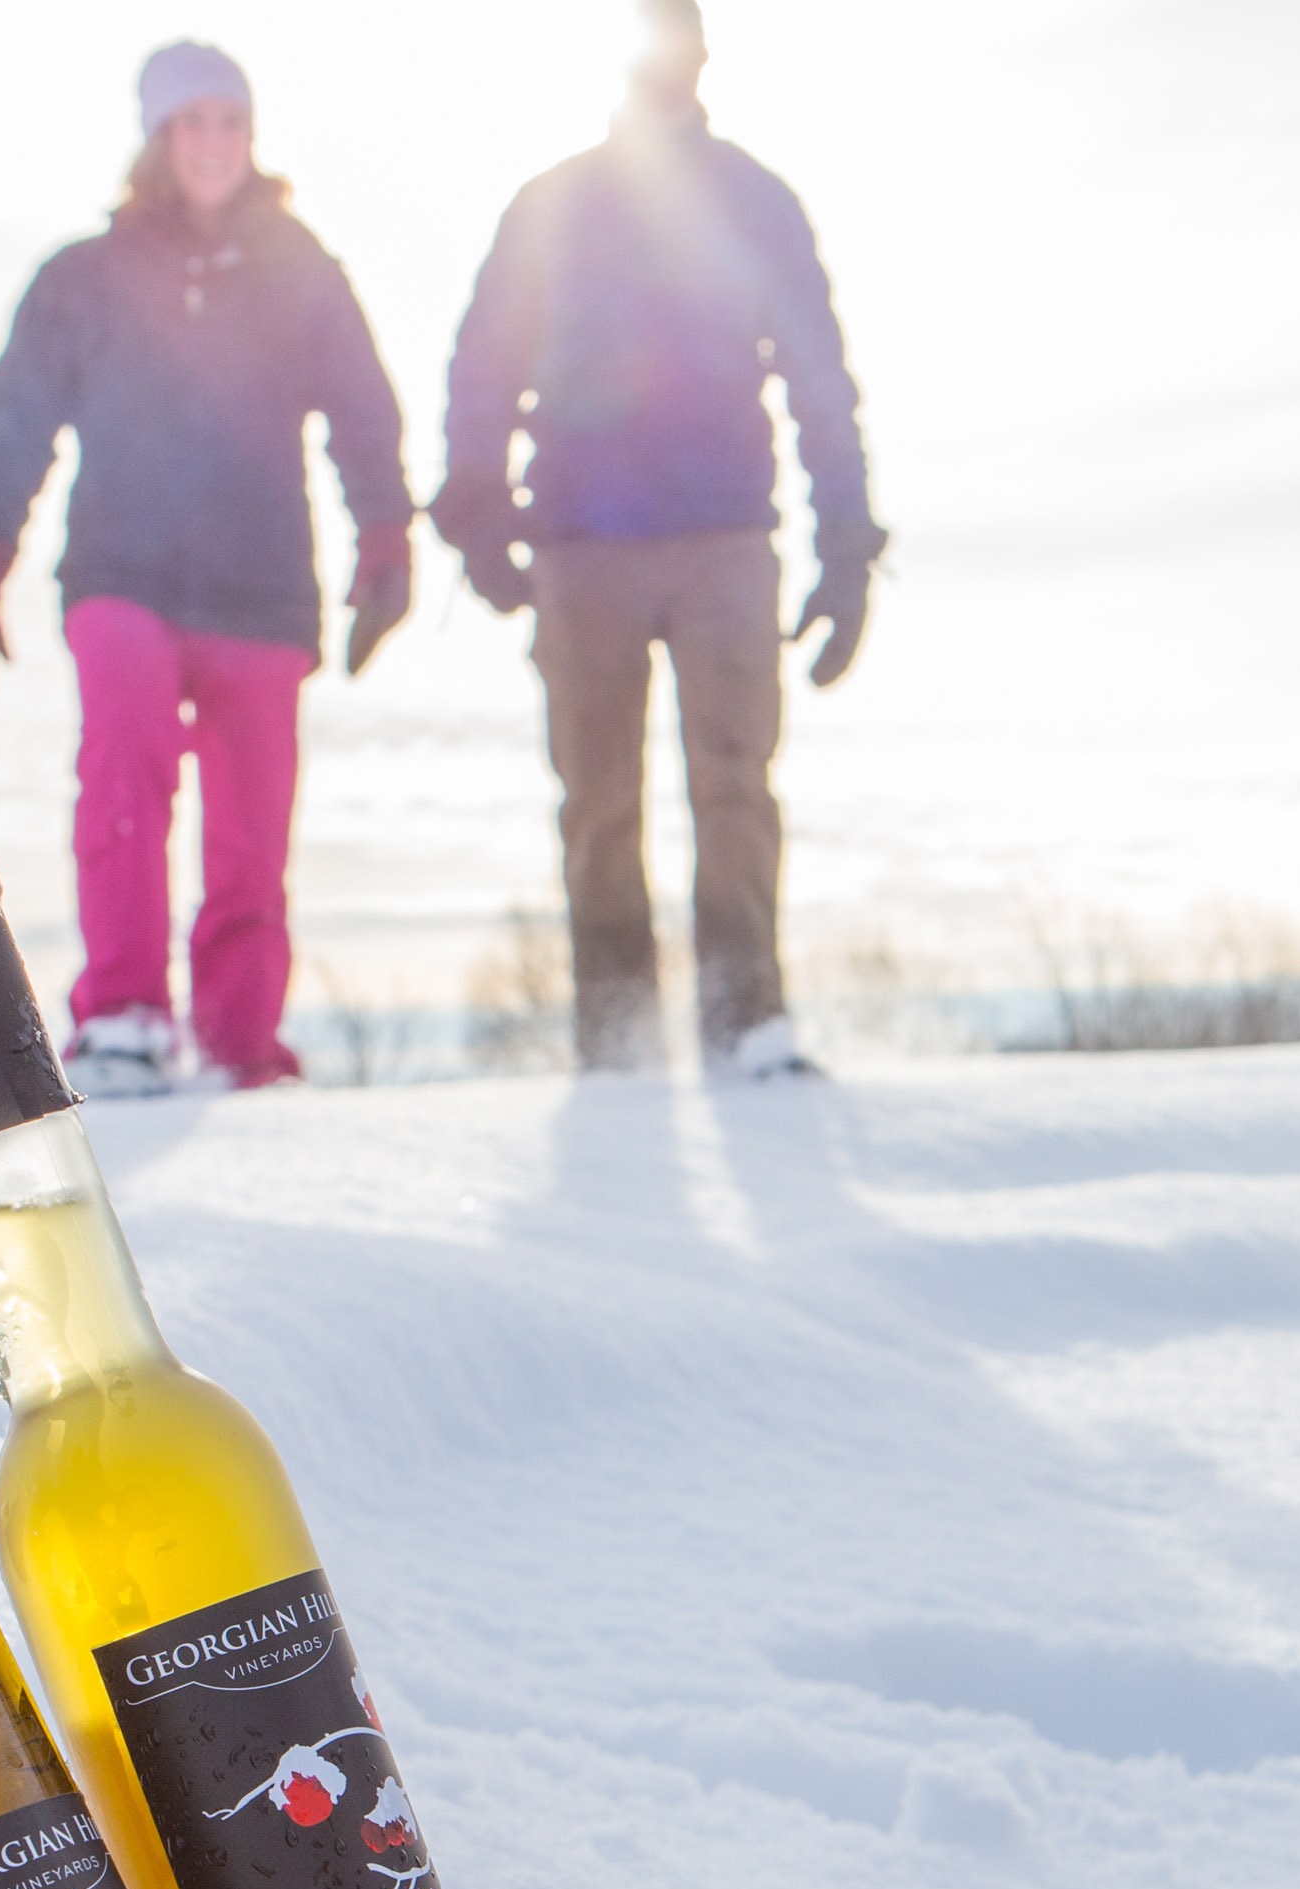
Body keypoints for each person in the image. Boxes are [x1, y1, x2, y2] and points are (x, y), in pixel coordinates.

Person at [0, 41, 412, 1095]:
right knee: (126, 764)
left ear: (251, 137)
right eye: (191, 122)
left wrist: (385, 538)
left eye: (230, 122)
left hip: (261, 588)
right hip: (125, 573)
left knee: (251, 827)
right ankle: (123, 1014)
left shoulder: (303, 270)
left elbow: (364, 416)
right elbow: (15, 428)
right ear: (157, 140)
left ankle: (243, 1040)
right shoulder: (86, 277)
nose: (212, 142)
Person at [431, 0, 882, 1081]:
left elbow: (820, 375)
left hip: (727, 533)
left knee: (736, 781)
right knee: (598, 801)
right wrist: (478, 509)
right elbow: (484, 359)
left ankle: (746, 1023)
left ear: (703, 55)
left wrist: (849, 542)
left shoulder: (755, 202)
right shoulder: (553, 202)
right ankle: (619, 1041)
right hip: (583, 540)